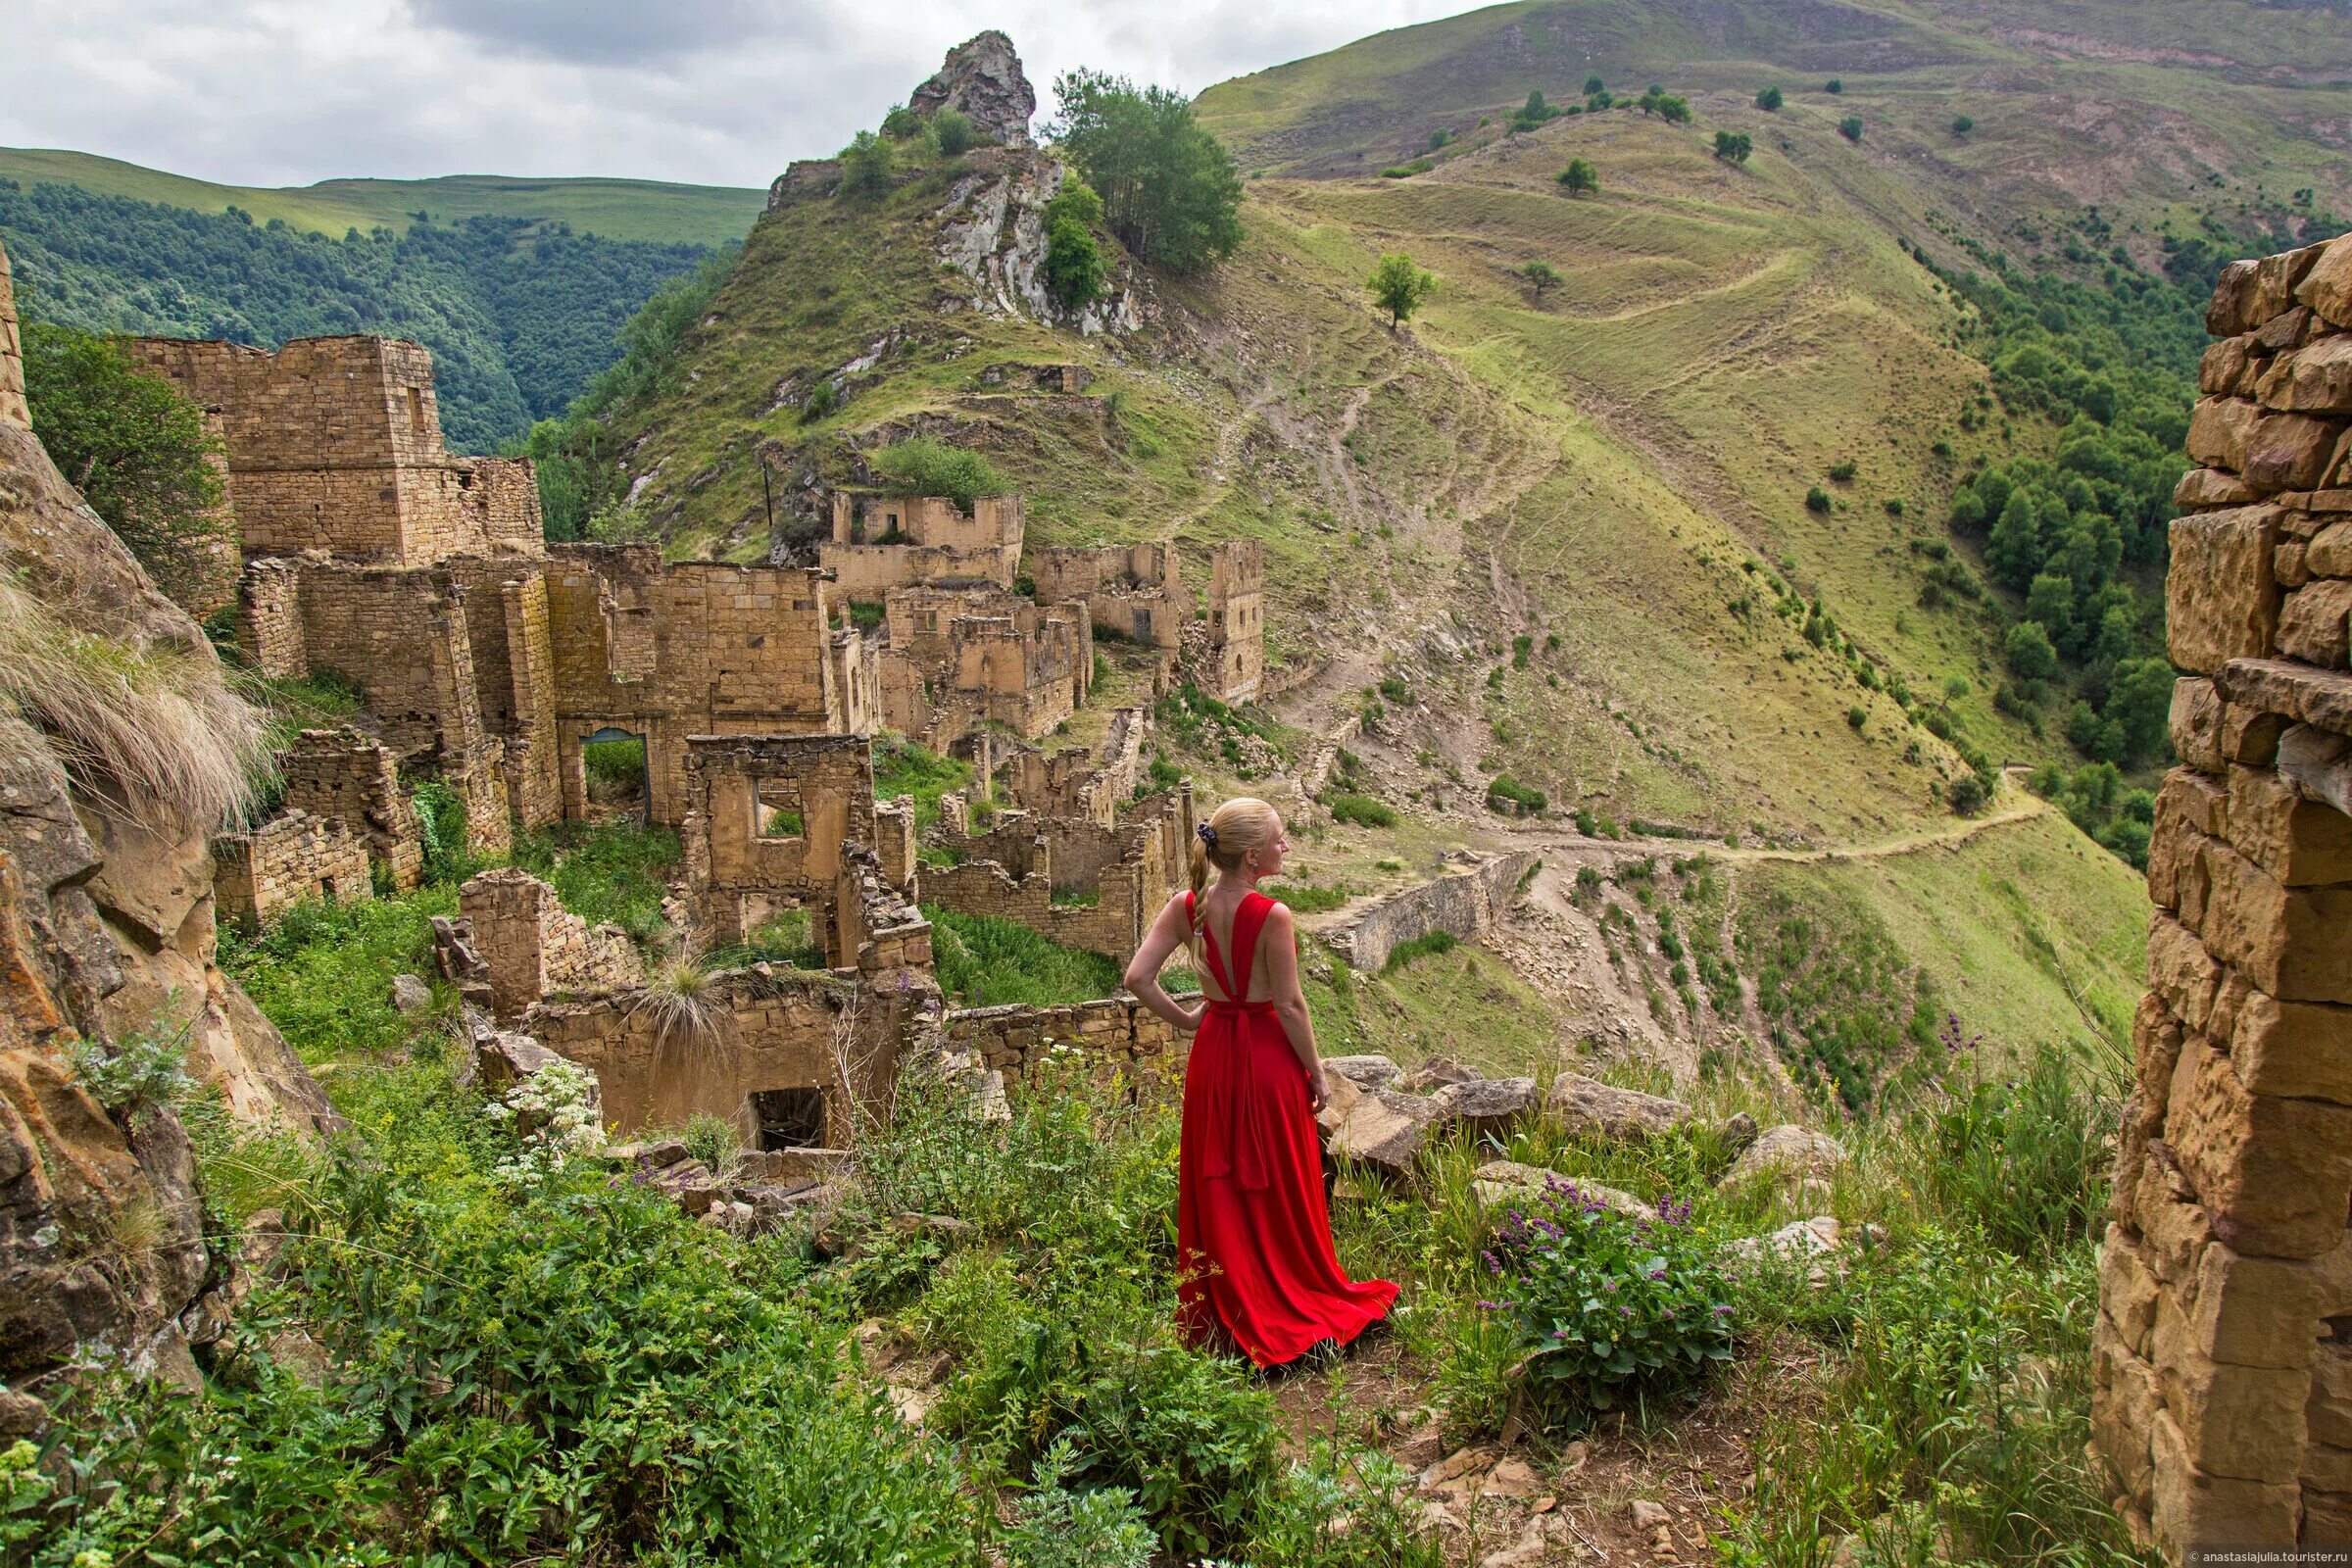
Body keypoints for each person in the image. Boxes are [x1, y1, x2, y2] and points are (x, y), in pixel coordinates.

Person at [1123, 797, 1397, 1370]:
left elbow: (1138, 978)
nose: (1286, 844)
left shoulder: (1187, 906)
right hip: (1268, 1060)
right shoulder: (1273, 916)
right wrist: (1318, 1074)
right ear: (1253, 855)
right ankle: (1287, 1291)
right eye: (1279, 837)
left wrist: (1191, 1019)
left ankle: (1224, 1313)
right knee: (1278, 1177)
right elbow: (1293, 1007)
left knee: (1216, 1177)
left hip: (1214, 1055)